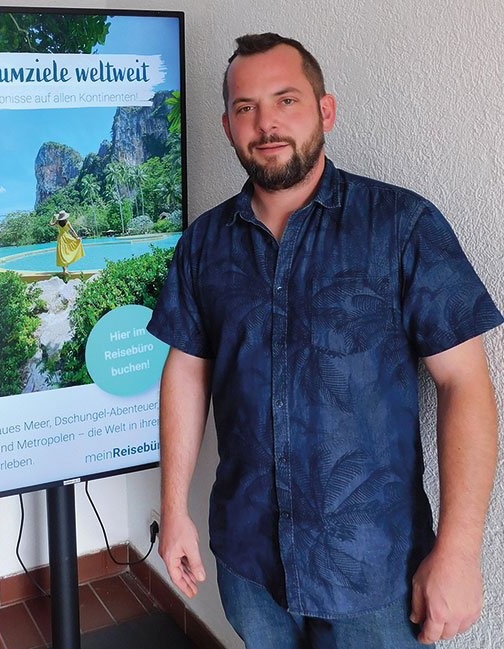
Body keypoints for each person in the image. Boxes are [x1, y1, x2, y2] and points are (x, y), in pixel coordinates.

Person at [147, 33, 502, 649]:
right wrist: (174, 510)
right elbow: (185, 371)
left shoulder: (402, 226)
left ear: (325, 110)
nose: (266, 124)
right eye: (245, 107)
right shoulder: (203, 245)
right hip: (248, 558)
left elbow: (463, 382)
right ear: (228, 127)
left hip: (374, 572)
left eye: (285, 100)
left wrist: (459, 552)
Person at [49, 209, 84, 274]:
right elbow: (72, 230)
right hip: (67, 237)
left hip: (60, 238)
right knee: (67, 252)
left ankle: (64, 270)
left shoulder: (57, 222)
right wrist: (77, 237)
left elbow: (50, 224)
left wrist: (53, 217)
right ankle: (66, 270)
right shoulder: (67, 222)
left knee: (61, 254)